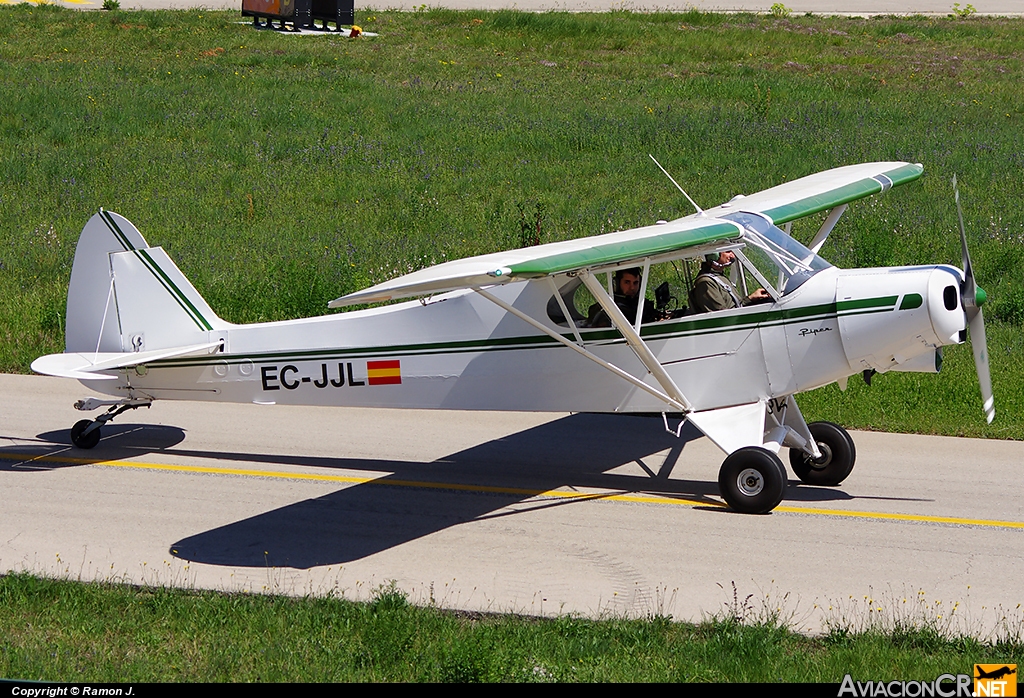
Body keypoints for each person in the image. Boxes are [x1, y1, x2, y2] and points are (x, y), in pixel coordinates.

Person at [689, 251, 771, 313]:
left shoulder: (719, 277)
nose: (732, 255)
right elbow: (723, 315)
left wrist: (751, 299)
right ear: (714, 255)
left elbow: (735, 307)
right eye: (728, 251)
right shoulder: (706, 282)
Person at [585, 268, 662, 328]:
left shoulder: (640, 304)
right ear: (617, 284)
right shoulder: (608, 307)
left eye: (635, 283)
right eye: (627, 282)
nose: (632, 288)